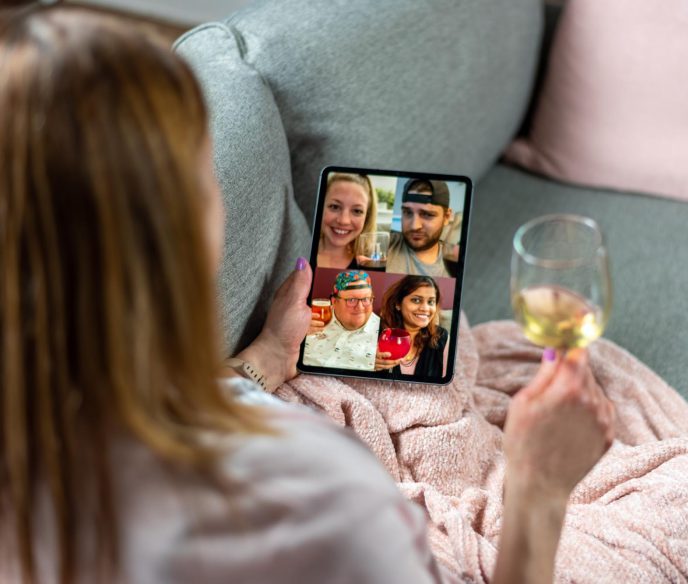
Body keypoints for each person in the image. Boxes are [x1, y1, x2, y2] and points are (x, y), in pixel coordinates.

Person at [0, 5, 614, 584]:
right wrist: (539, 490)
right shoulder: (319, 495)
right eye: (202, 168)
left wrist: (266, 354)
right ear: (187, 230)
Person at [302, 270, 380, 370]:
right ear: (334, 302)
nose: (360, 307)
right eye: (351, 300)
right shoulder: (316, 317)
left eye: (366, 299)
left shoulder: (383, 333)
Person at [376, 275, 449, 378]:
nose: (425, 308)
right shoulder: (376, 333)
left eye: (430, 302)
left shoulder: (442, 337)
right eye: (416, 300)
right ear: (398, 304)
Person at [386, 178, 454, 277]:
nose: (414, 226)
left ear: (447, 216)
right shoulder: (386, 244)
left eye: (427, 214)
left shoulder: (455, 262)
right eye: (408, 212)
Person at [315, 172, 378, 269]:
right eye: (334, 207)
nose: (344, 221)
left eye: (357, 211)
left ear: (367, 217)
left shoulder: (373, 264)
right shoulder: (300, 250)